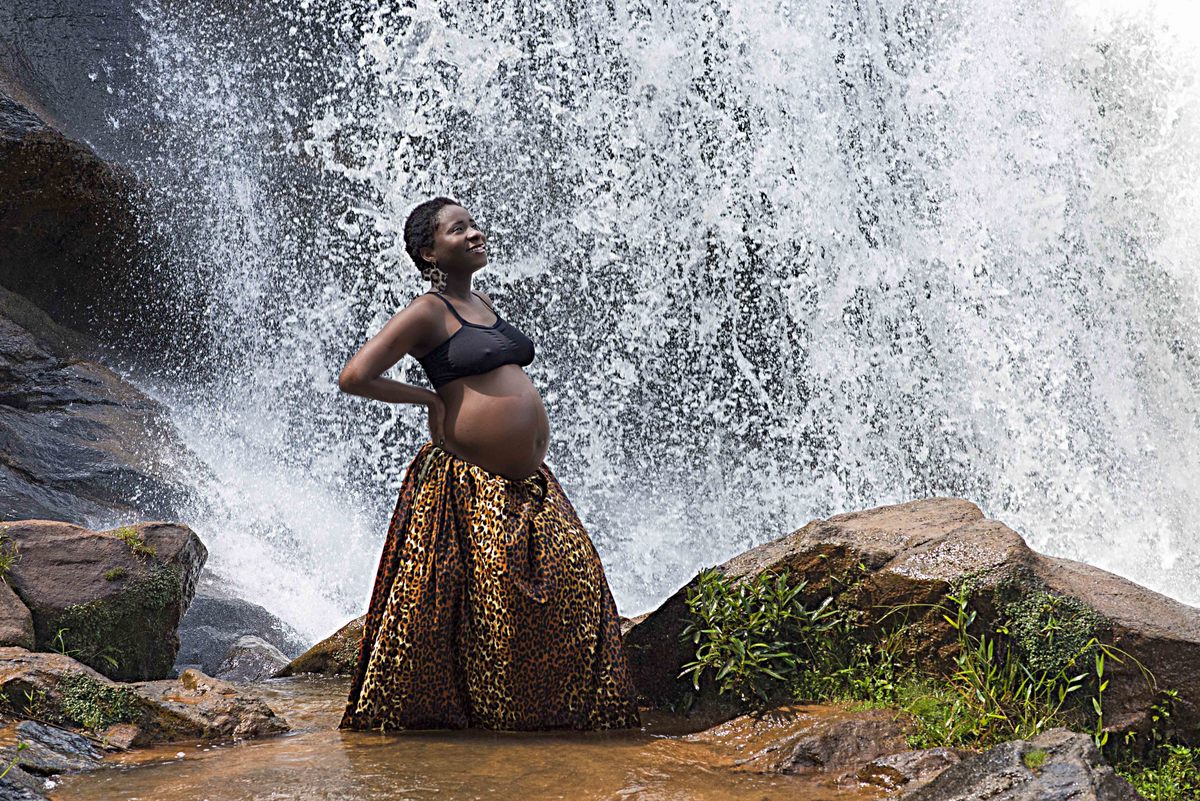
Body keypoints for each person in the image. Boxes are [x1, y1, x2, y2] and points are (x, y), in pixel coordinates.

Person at [334, 196, 642, 732]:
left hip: (530, 484)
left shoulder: (484, 303)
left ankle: (557, 714)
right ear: (430, 252)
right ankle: (493, 721)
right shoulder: (427, 312)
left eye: (474, 225)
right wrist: (429, 402)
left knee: (580, 582)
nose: (475, 234)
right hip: (469, 485)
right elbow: (354, 375)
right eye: (459, 230)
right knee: (487, 607)